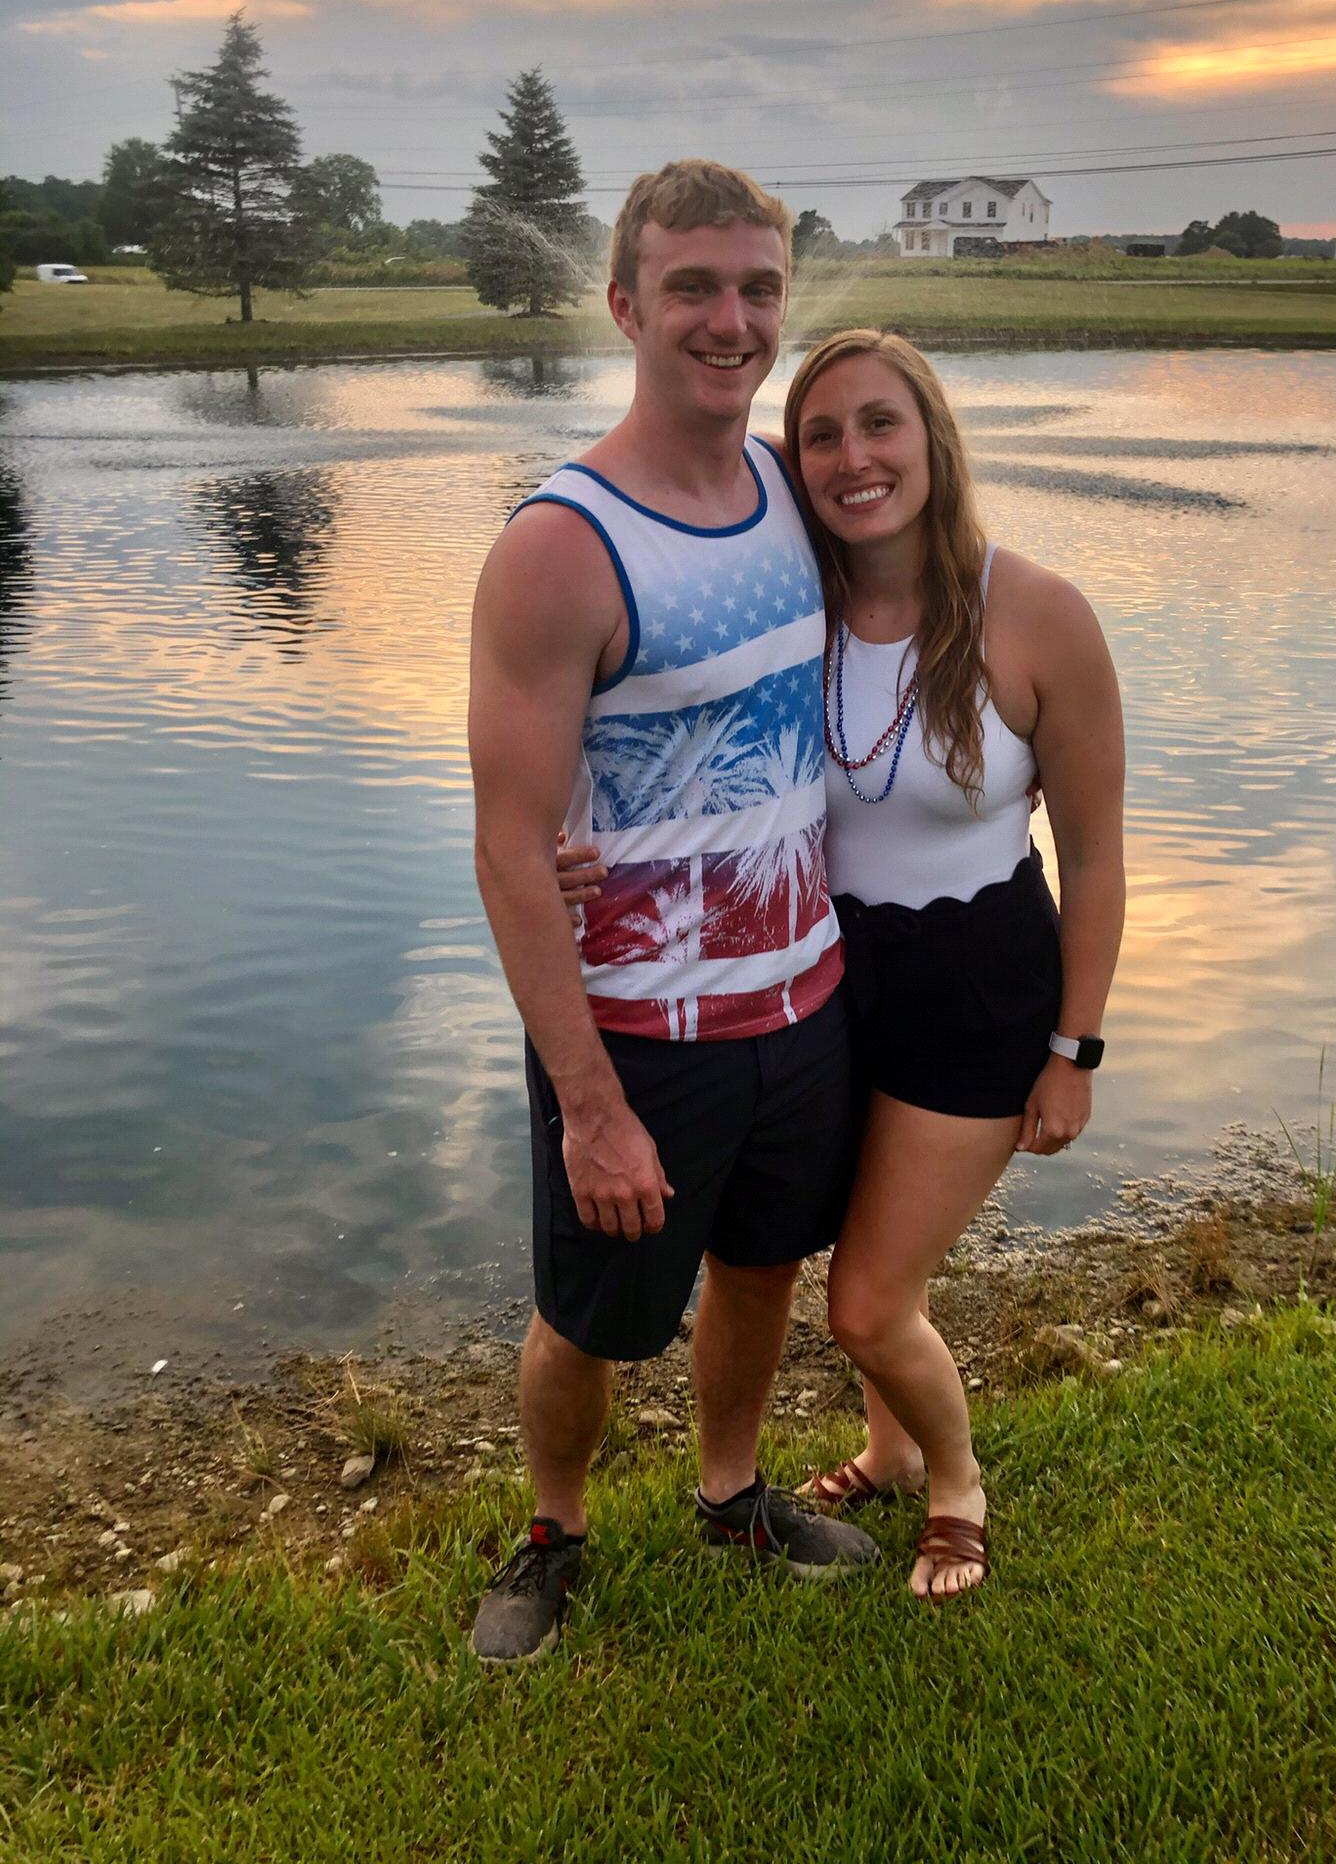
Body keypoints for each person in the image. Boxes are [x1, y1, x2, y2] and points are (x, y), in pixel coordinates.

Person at [563, 329, 1125, 1601]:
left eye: (881, 424)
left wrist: (1074, 1049)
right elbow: (658, 722)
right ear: (793, 459)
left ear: (933, 438)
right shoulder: (787, 601)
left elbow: (1096, 856)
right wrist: (566, 835)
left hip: (975, 988)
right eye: (820, 434)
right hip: (820, 969)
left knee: (867, 1301)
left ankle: (956, 1480)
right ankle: (885, 1447)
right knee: (842, 1251)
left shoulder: (1038, 613)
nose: (853, 457)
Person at [465, 162, 878, 1665]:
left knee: (763, 1270)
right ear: (626, 305)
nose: (731, 319)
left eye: (759, 288)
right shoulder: (561, 545)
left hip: (803, 998)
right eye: (693, 286)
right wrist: (589, 1108)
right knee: (590, 1316)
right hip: (637, 1032)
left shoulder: (790, 489)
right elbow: (509, 848)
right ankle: (552, 1529)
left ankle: (730, 1494)